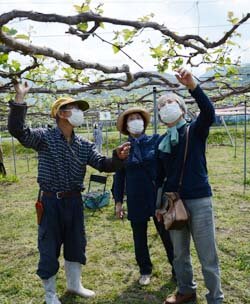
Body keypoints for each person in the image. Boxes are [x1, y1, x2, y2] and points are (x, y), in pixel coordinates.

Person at [7, 81, 130, 304]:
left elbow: (102, 164)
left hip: (74, 201)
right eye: (75, 109)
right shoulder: (44, 137)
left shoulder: (84, 144)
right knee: (49, 245)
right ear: (62, 114)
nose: (79, 113)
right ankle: (50, 293)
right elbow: (18, 130)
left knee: (76, 242)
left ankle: (74, 284)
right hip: (50, 201)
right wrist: (19, 99)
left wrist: (118, 158)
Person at [156, 68, 224, 304]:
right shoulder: (162, 142)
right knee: (180, 253)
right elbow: (161, 178)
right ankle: (186, 289)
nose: (166, 107)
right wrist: (159, 205)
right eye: (161, 106)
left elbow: (209, 112)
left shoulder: (194, 130)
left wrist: (192, 86)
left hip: (198, 200)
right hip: (173, 202)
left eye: (171, 102)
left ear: (182, 109)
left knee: (207, 254)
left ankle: (215, 297)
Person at [113, 107, 175, 286]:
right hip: (135, 197)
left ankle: (176, 268)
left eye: (137, 118)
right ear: (126, 126)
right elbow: (119, 176)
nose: (135, 121)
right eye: (130, 119)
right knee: (139, 237)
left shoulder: (156, 141)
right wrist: (118, 202)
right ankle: (145, 270)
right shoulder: (123, 149)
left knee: (166, 234)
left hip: (156, 197)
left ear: (144, 122)